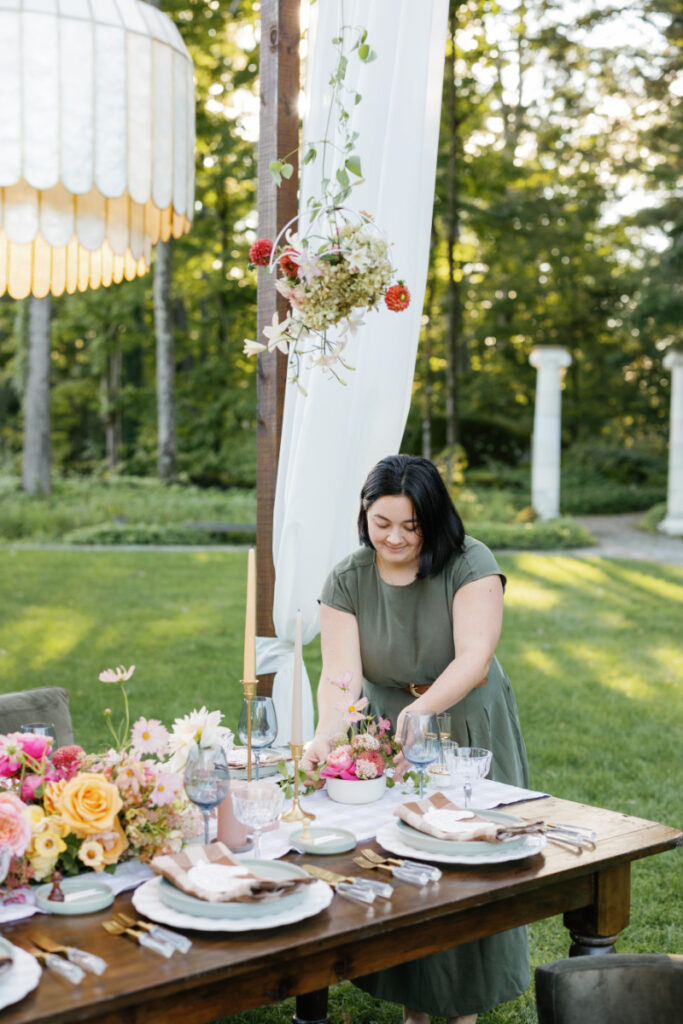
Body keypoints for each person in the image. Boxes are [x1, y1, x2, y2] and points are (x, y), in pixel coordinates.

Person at [302, 454, 530, 1024]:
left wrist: (423, 708)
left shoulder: (470, 561)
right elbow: (340, 677)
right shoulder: (347, 579)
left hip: (465, 719)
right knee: (399, 858)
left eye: (411, 525)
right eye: (383, 523)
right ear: (364, 515)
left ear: (433, 517)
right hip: (383, 726)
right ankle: (414, 1004)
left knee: (463, 856)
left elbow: (475, 659)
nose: (396, 538)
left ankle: (461, 1007)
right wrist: (325, 736)